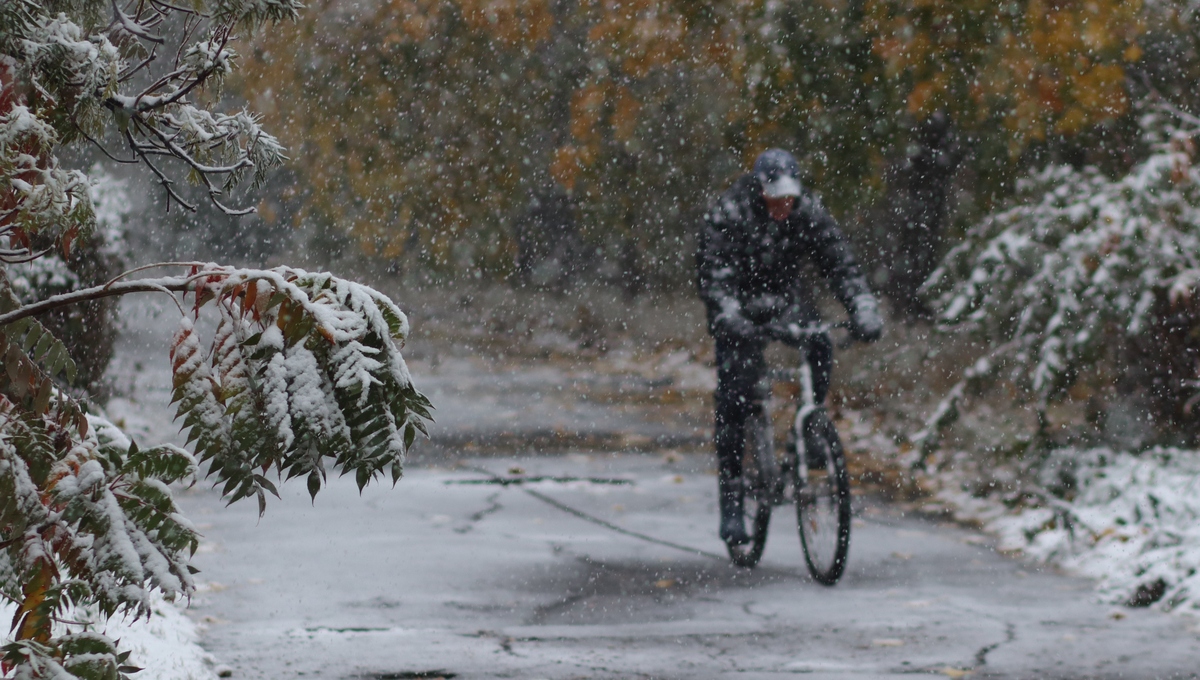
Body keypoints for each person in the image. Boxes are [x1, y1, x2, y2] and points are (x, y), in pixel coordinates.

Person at [696, 148, 883, 545]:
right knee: (735, 393)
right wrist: (731, 316)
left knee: (819, 344)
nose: (782, 205)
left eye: (788, 197)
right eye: (774, 197)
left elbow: (841, 265)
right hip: (739, 308)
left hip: (786, 302)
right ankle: (732, 496)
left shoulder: (807, 213)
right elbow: (714, 276)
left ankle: (811, 431)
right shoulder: (729, 214)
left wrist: (862, 307)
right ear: (759, 190)